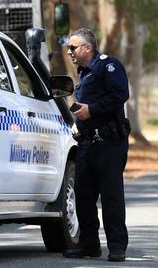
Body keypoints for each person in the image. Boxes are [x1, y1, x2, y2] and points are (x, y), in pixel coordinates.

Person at [63, 28, 130, 262]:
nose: (69, 51)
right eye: (68, 47)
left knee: (111, 196)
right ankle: (89, 245)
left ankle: (117, 246)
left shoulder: (108, 66)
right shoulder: (83, 73)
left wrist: (92, 110)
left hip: (110, 144)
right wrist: (78, 124)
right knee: (83, 195)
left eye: (73, 47)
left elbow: (120, 94)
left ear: (87, 48)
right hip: (88, 144)